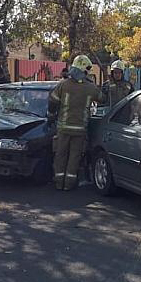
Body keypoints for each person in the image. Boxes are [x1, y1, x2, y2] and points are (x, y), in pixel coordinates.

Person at [48, 55, 104, 191]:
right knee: (74, 156)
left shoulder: (62, 84)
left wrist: (51, 116)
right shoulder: (90, 88)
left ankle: (59, 182)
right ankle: (69, 184)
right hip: (80, 130)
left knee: (60, 155)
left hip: (63, 128)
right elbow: (102, 99)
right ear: (84, 70)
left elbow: (52, 101)